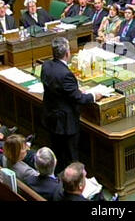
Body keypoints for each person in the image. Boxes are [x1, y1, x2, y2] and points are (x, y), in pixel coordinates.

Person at [41, 37, 102, 172]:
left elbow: (58, 88)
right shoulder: (66, 74)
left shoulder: (46, 66)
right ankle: (73, 181)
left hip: (50, 116)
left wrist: (73, 89)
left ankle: (57, 174)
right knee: (70, 156)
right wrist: (93, 95)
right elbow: (78, 98)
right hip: (65, 122)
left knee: (56, 152)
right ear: (67, 53)